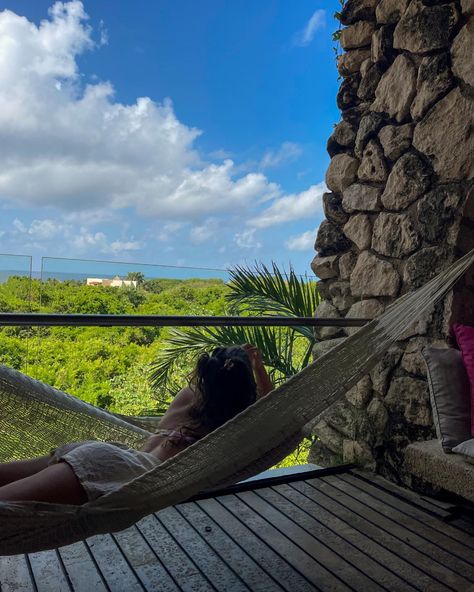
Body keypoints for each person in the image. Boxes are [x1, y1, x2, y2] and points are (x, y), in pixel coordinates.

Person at [0, 344, 273, 505]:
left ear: (204, 377)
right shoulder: (235, 425)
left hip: (107, 457)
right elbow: (274, 408)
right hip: (114, 470)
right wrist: (258, 368)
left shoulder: (187, 399)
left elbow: (220, 387)